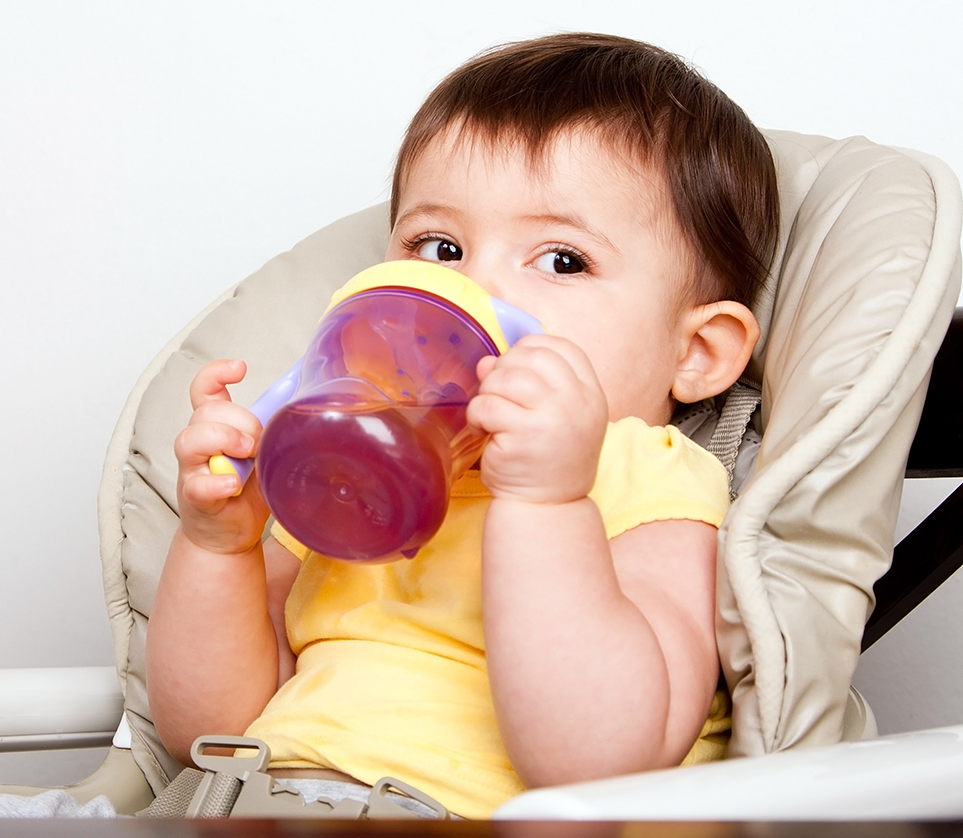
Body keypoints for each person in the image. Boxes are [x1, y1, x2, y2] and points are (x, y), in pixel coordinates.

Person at [149, 32, 779, 818]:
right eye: (438, 247)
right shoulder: (350, 463)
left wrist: (547, 503)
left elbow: (598, 760)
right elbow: (204, 729)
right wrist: (221, 546)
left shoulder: (646, 475)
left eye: (561, 260)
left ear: (696, 354)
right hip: (264, 803)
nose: (472, 288)